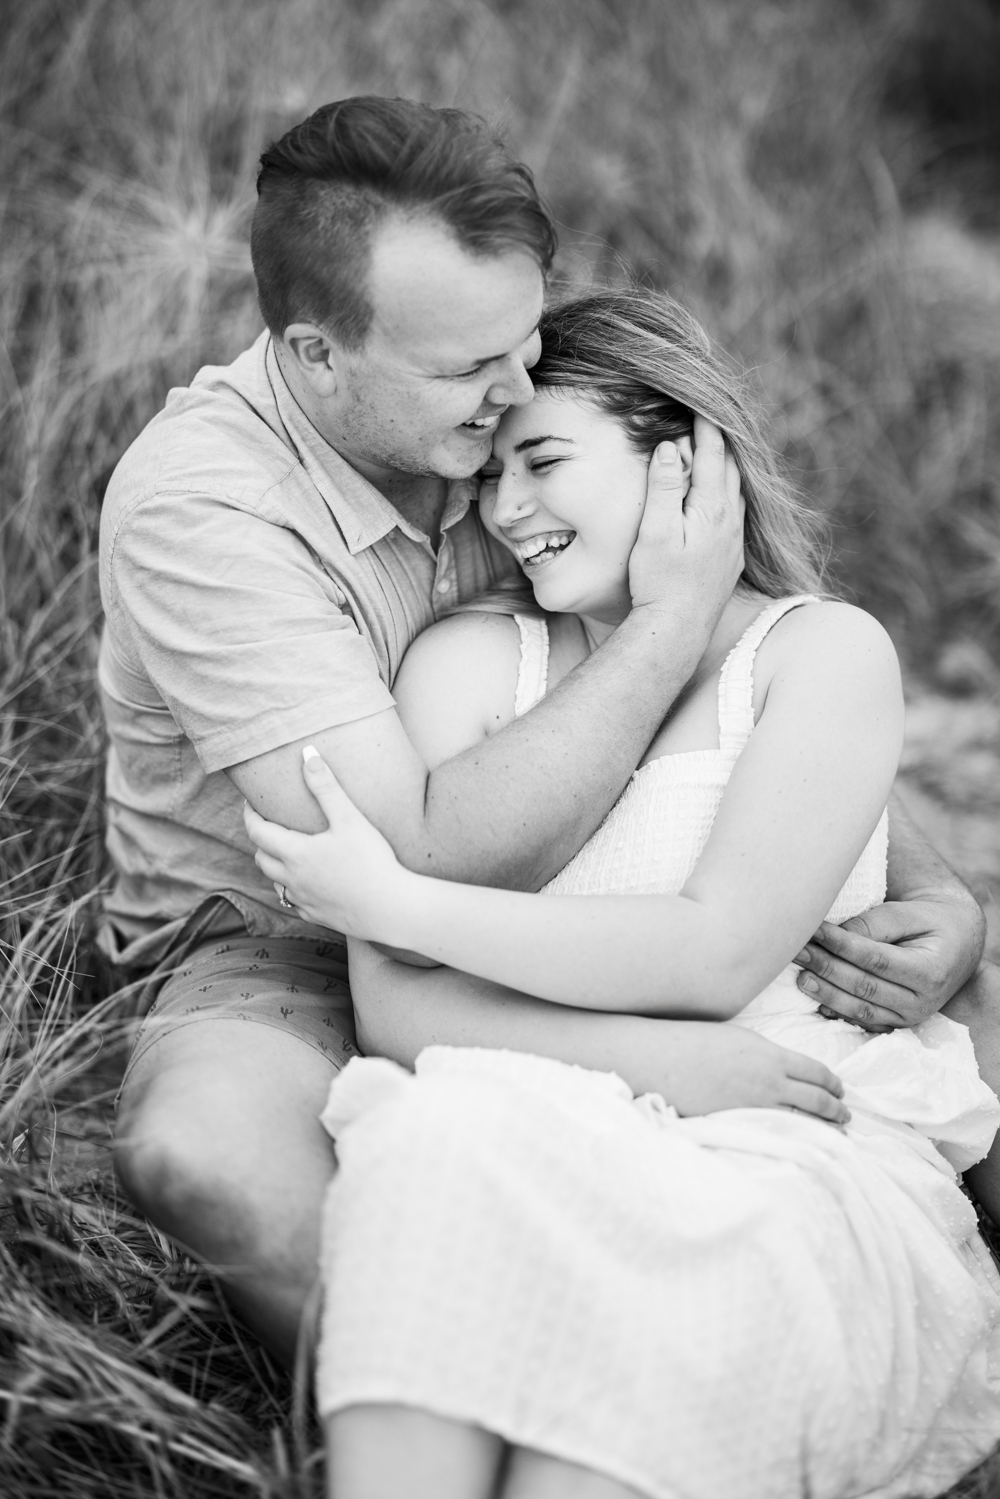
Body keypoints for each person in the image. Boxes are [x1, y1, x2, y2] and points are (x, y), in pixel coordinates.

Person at [101, 94, 991, 1371]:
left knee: (963, 1008)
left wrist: (934, 886)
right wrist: (665, 625)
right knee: (208, 1158)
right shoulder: (208, 512)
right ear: (315, 357)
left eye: (522, 340)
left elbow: (762, 687)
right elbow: (416, 854)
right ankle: (490, 1401)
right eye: (473, 369)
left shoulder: (495, 428)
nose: (518, 389)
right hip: (279, 935)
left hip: (571, 887)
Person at [246, 289, 1000, 1499]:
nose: (509, 507)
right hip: (510, 1097)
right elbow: (399, 1017)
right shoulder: (471, 661)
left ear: (685, 458)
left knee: (631, 1399)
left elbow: (712, 956)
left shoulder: (820, 654)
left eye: (543, 459)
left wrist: (396, 904)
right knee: (433, 1161)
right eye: (489, 477)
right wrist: (659, 1066)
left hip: (779, 1122)